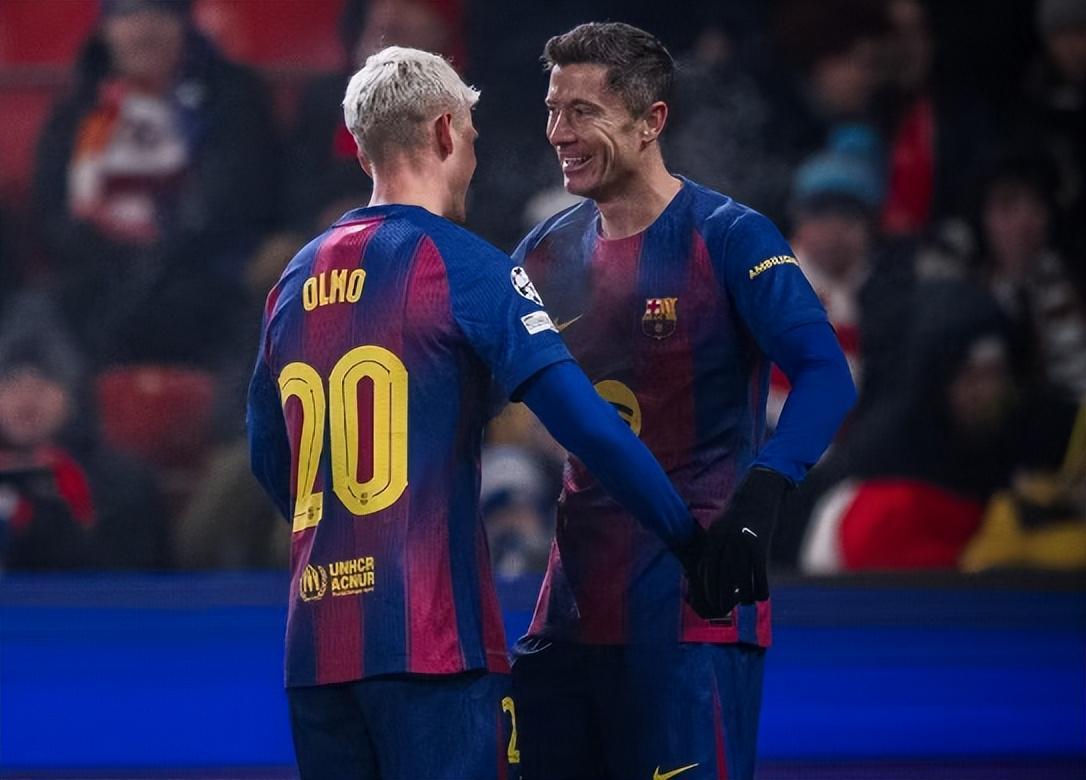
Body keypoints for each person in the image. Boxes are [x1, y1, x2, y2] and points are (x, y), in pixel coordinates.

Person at [247, 45, 714, 780]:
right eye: (469, 137)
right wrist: (690, 539)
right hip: (434, 642)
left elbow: (267, 454)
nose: (471, 157)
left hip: (316, 651)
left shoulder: (293, 278)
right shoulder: (464, 266)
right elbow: (588, 426)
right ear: (443, 132)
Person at [509, 23, 856, 780]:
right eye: (553, 109)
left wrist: (765, 490)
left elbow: (827, 375)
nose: (559, 132)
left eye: (583, 112)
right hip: (568, 615)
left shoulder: (731, 237)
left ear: (651, 121)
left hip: (696, 604)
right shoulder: (542, 254)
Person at [32, 0, 278, 366]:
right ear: (105, 31)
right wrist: (111, 257)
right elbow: (54, 214)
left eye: (159, 14)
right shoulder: (79, 107)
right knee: (41, 313)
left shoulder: (231, 96)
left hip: (205, 281)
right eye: (127, 16)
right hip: (97, 286)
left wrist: (161, 251)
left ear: (184, 25)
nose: (143, 29)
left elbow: (238, 199)